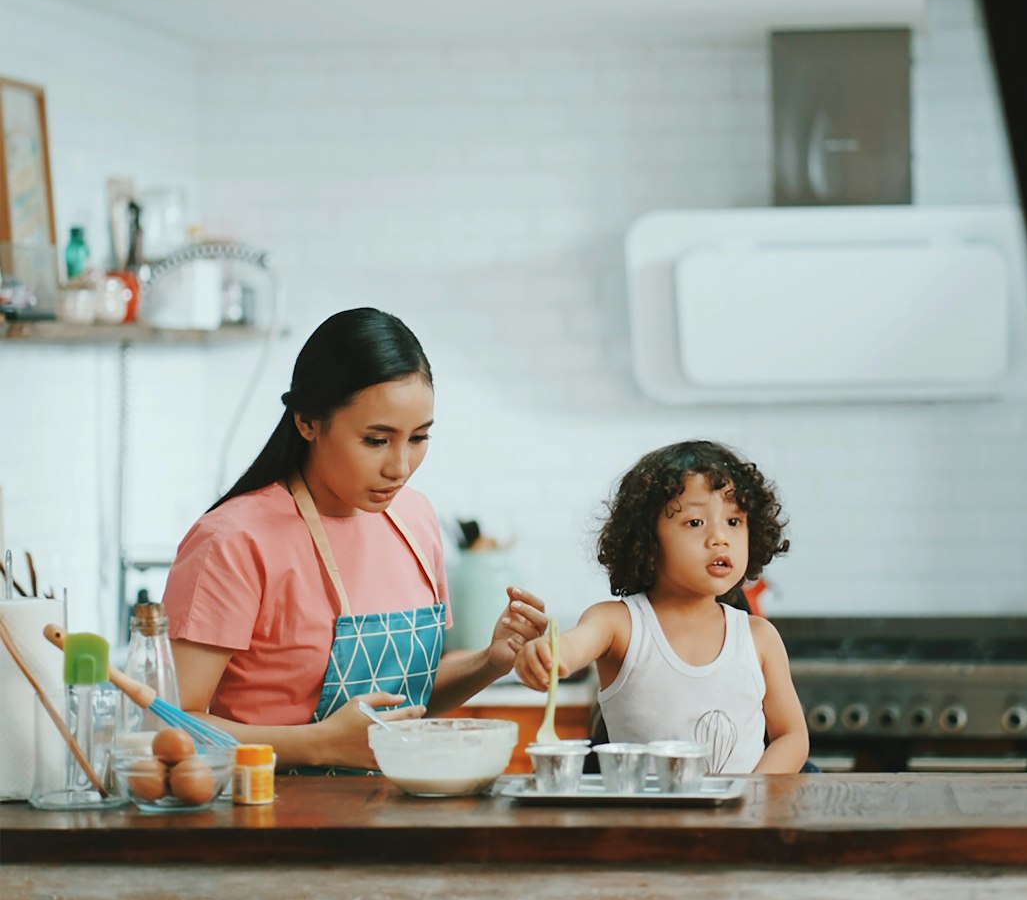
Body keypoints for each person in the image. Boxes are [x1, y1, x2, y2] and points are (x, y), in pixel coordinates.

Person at [163, 308, 546, 771]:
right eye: (376, 440)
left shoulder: (415, 519)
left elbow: (407, 696)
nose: (400, 467)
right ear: (307, 422)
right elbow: (171, 727)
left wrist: (490, 661)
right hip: (264, 822)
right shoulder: (232, 542)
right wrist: (320, 744)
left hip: (389, 814)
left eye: (418, 438)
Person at [514, 440, 808, 774]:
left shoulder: (760, 638)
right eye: (695, 522)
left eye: (734, 521)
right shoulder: (618, 623)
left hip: (741, 821)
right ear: (648, 540)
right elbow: (572, 645)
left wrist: (750, 794)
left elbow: (792, 736)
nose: (719, 538)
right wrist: (547, 655)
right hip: (644, 823)